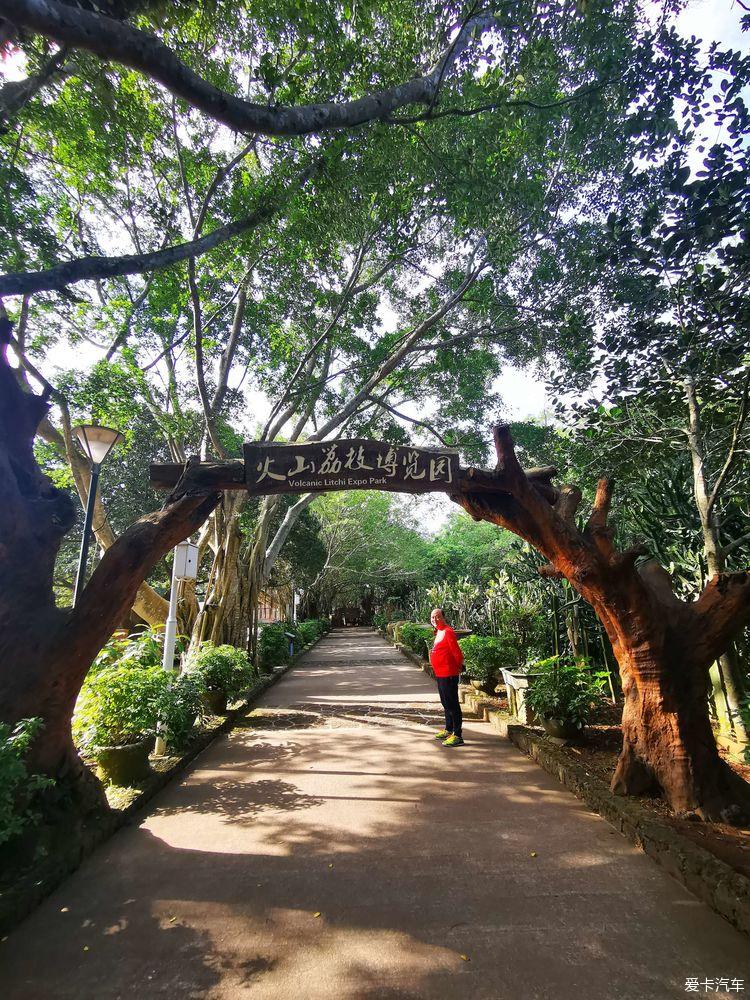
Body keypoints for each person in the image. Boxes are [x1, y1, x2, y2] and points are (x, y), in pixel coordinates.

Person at [429, 608, 464, 747]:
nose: (434, 619)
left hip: (449, 674)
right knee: (445, 703)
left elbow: (456, 652)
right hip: (440, 674)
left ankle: (457, 735)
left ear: (443, 617)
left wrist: (459, 667)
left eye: (437, 617)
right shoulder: (439, 632)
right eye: (432, 617)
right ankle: (449, 729)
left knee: (452, 704)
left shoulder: (448, 631)